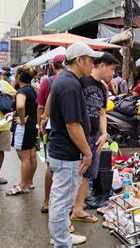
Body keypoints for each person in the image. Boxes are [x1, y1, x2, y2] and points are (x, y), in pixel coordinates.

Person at [47, 43, 103, 246]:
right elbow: (72, 125)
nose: (92, 65)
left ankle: (62, 236)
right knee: (62, 202)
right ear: (79, 60)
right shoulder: (69, 84)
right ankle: (62, 242)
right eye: (90, 61)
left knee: (61, 200)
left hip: (62, 151)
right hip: (66, 154)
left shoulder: (67, 80)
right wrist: (88, 153)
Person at [70, 52, 119, 223]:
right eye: (112, 69)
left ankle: (78, 209)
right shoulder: (81, 81)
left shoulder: (102, 88)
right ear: (102, 65)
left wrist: (104, 133)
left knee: (88, 174)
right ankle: (65, 212)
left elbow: (102, 112)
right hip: (78, 134)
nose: (113, 74)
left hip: (95, 136)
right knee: (73, 172)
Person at [36, 54, 65, 213]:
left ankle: (47, 201)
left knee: (50, 164)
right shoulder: (72, 80)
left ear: (53, 66)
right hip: (68, 127)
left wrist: (39, 125)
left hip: (49, 127)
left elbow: (40, 107)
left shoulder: (47, 82)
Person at [6, 66, 38, 195]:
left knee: (24, 157)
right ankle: (29, 182)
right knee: (31, 156)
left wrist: (22, 120)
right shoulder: (31, 89)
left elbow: (20, 106)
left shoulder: (22, 91)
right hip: (33, 124)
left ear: (18, 76)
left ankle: (22, 185)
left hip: (24, 126)